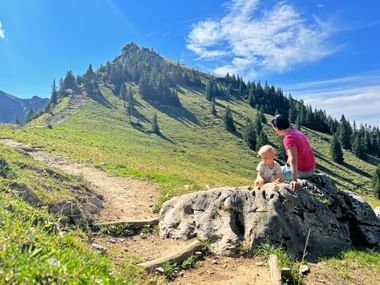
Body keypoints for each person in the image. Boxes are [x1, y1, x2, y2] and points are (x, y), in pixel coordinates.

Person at [271, 114, 316, 192]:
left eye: (274, 129)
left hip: (302, 172)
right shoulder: (297, 132)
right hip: (311, 169)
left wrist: (294, 180)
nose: (275, 132)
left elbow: (293, 159)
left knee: (270, 173)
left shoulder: (288, 138)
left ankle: (275, 191)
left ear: (277, 128)